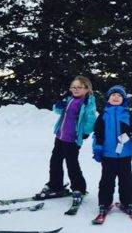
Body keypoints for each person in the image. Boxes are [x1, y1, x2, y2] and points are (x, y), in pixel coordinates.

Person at [36, 76, 97, 210]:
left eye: (79, 87)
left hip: (73, 139)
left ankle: (79, 188)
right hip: (60, 136)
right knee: (55, 161)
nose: (75, 89)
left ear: (87, 89)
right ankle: (55, 185)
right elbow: (57, 110)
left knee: (72, 164)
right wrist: (60, 103)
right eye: (73, 87)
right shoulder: (69, 99)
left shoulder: (88, 102)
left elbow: (91, 120)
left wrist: (85, 133)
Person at [92, 85, 132, 216]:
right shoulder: (103, 115)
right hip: (107, 155)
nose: (116, 97)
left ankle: (128, 203)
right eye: (113, 95)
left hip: (125, 155)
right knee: (106, 181)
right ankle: (104, 203)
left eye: (119, 96)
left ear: (124, 99)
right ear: (108, 99)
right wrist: (97, 148)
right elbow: (97, 134)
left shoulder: (128, 115)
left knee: (127, 181)